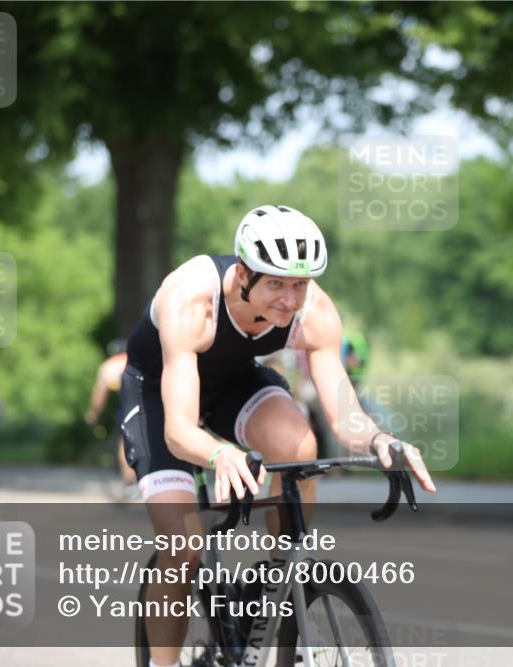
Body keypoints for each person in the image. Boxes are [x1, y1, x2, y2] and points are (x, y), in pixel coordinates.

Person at [119, 205, 436, 667]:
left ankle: (277, 576)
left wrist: (379, 442)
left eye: (300, 285)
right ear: (243, 273)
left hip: (234, 382)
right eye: (276, 284)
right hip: (157, 394)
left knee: (300, 447)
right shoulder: (191, 300)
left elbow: (345, 414)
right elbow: (180, 429)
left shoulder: (316, 311)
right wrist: (223, 453)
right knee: (182, 546)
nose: (290, 300)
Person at [85, 339, 136, 491]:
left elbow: (99, 395)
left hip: (129, 406)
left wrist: (93, 414)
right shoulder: (138, 359)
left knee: (124, 442)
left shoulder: (109, 366)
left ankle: (131, 483)